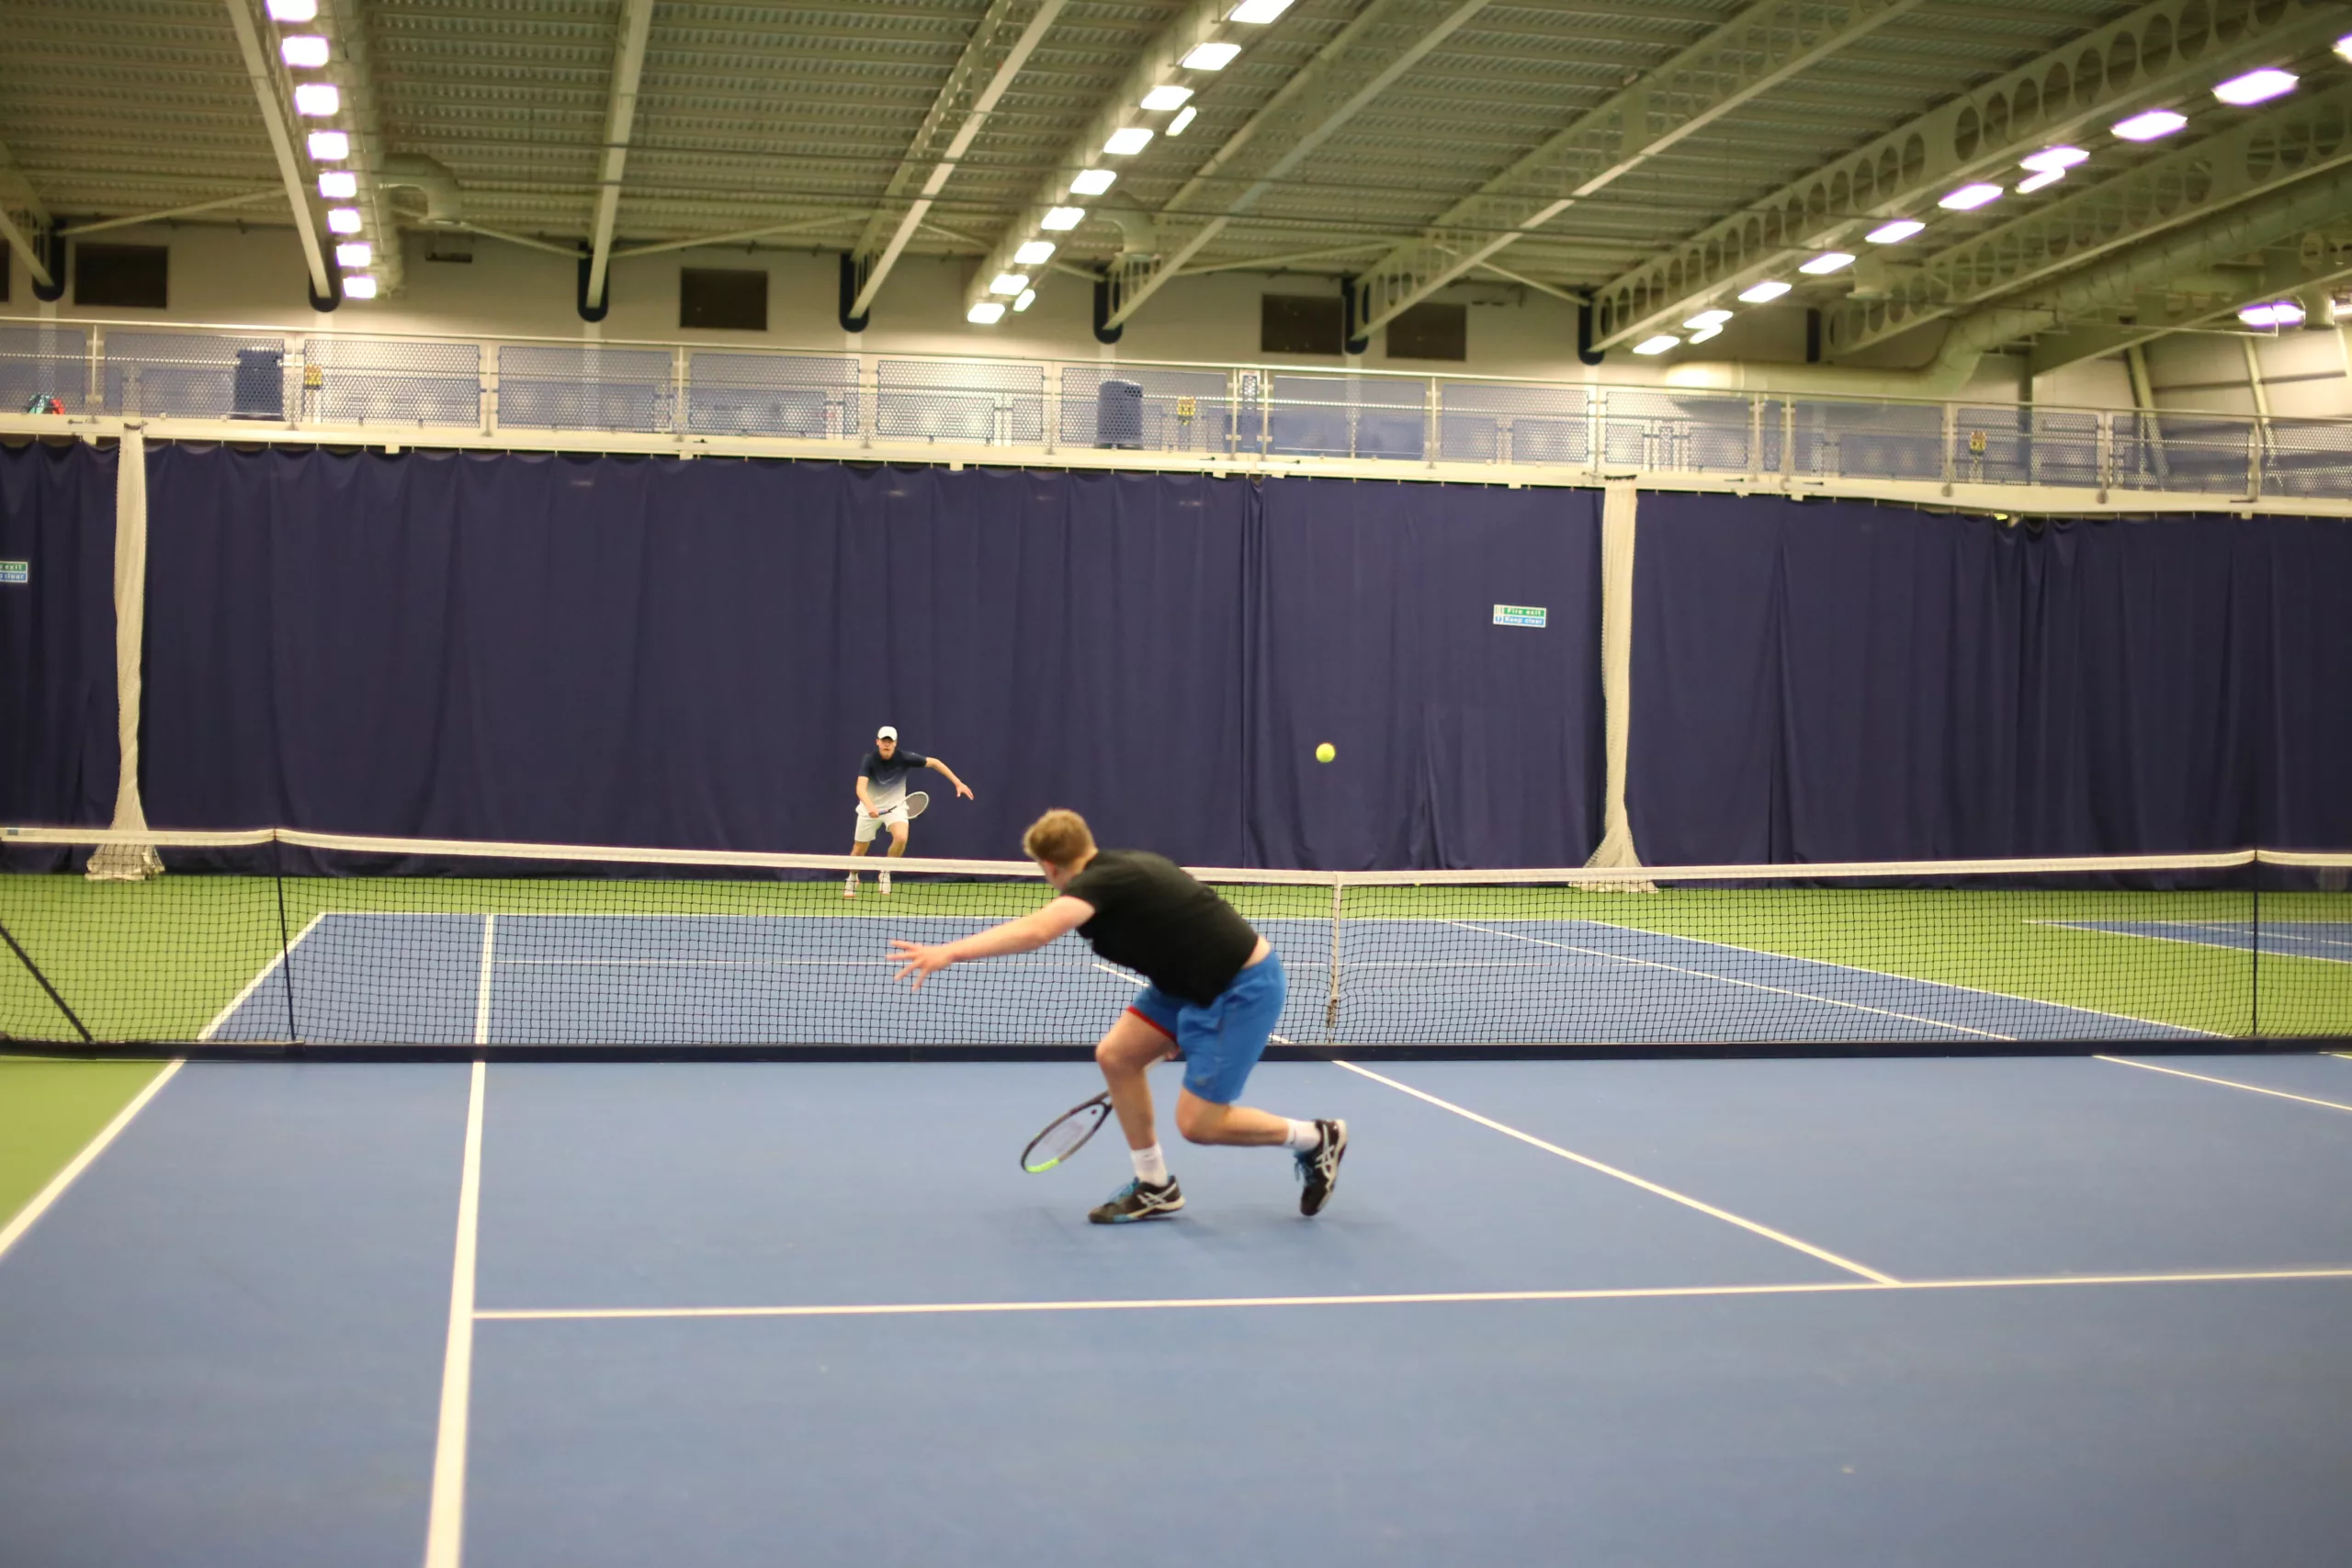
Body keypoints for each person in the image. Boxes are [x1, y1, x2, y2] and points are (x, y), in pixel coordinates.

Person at [889, 808, 1348, 1224]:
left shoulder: (1100, 882)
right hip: (1186, 983)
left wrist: (949, 952)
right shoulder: (1121, 868)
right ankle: (1154, 1185)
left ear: (1050, 867)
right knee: (1117, 1056)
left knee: (1200, 1124)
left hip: (1239, 988)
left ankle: (1315, 1138)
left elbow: (1039, 930)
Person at [847, 725, 973, 898]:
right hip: (869, 808)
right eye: (884, 741)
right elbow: (860, 789)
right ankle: (853, 876)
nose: (886, 744)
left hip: (896, 807)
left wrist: (958, 783)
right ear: (878, 742)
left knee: (901, 837)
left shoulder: (904, 758)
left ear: (895, 743)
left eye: (890, 741)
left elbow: (935, 763)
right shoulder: (869, 760)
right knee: (859, 849)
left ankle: (885, 871)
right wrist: (870, 806)